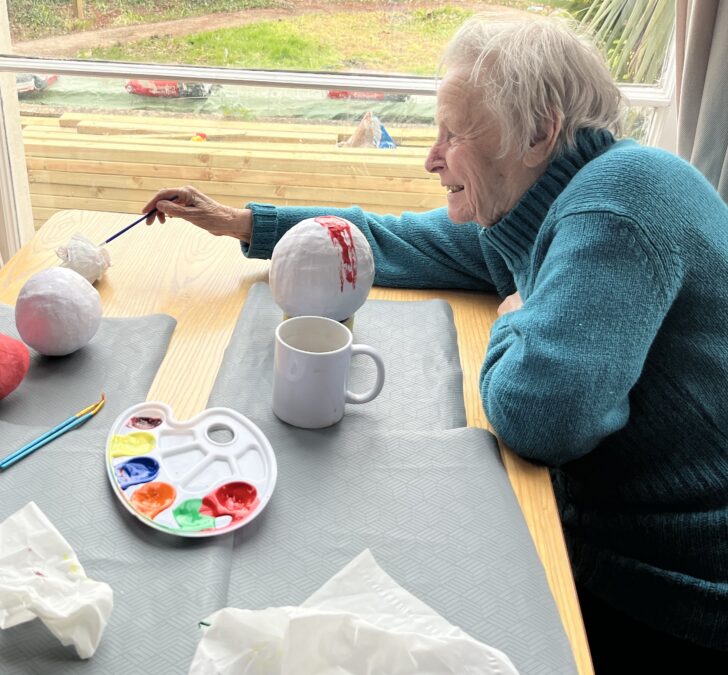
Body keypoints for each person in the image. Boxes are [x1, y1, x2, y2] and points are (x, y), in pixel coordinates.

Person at [143, 14, 728, 671]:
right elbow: (393, 239)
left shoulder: (615, 205)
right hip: (611, 542)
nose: (431, 156)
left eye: (454, 132)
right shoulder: (537, 204)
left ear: (539, 132)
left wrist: (514, 316)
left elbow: (541, 417)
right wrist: (242, 222)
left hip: (676, 595)